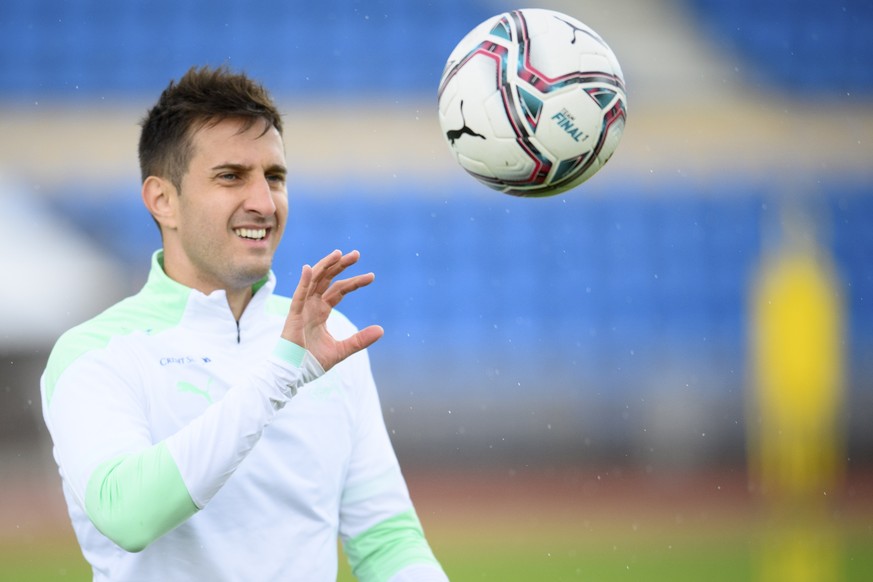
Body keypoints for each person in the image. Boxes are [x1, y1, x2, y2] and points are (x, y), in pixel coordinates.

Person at [40, 65, 448, 582]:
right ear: (162, 200)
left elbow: (386, 541)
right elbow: (128, 514)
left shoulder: (331, 335)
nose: (263, 202)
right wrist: (280, 373)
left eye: (274, 177)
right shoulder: (95, 353)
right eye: (231, 176)